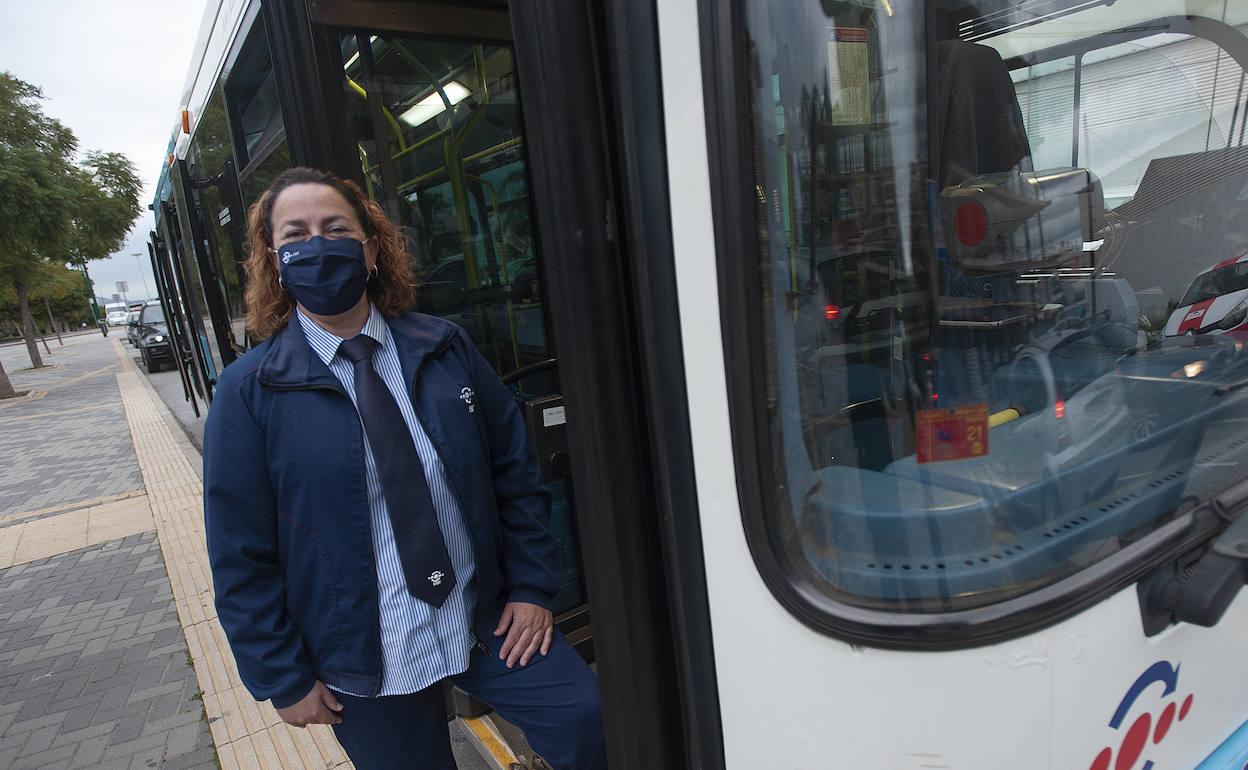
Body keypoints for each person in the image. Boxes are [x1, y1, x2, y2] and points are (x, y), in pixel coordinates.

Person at [203, 167, 605, 770]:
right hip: (364, 653)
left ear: (370, 248)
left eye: (336, 228)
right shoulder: (249, 391)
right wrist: (280, 676)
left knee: (585, 717)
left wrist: (529, 586)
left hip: (485, 618)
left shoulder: (445, 347)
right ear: (275, 260)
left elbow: (514, 474)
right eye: (297, 235)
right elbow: (240, 552)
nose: (319, 244)